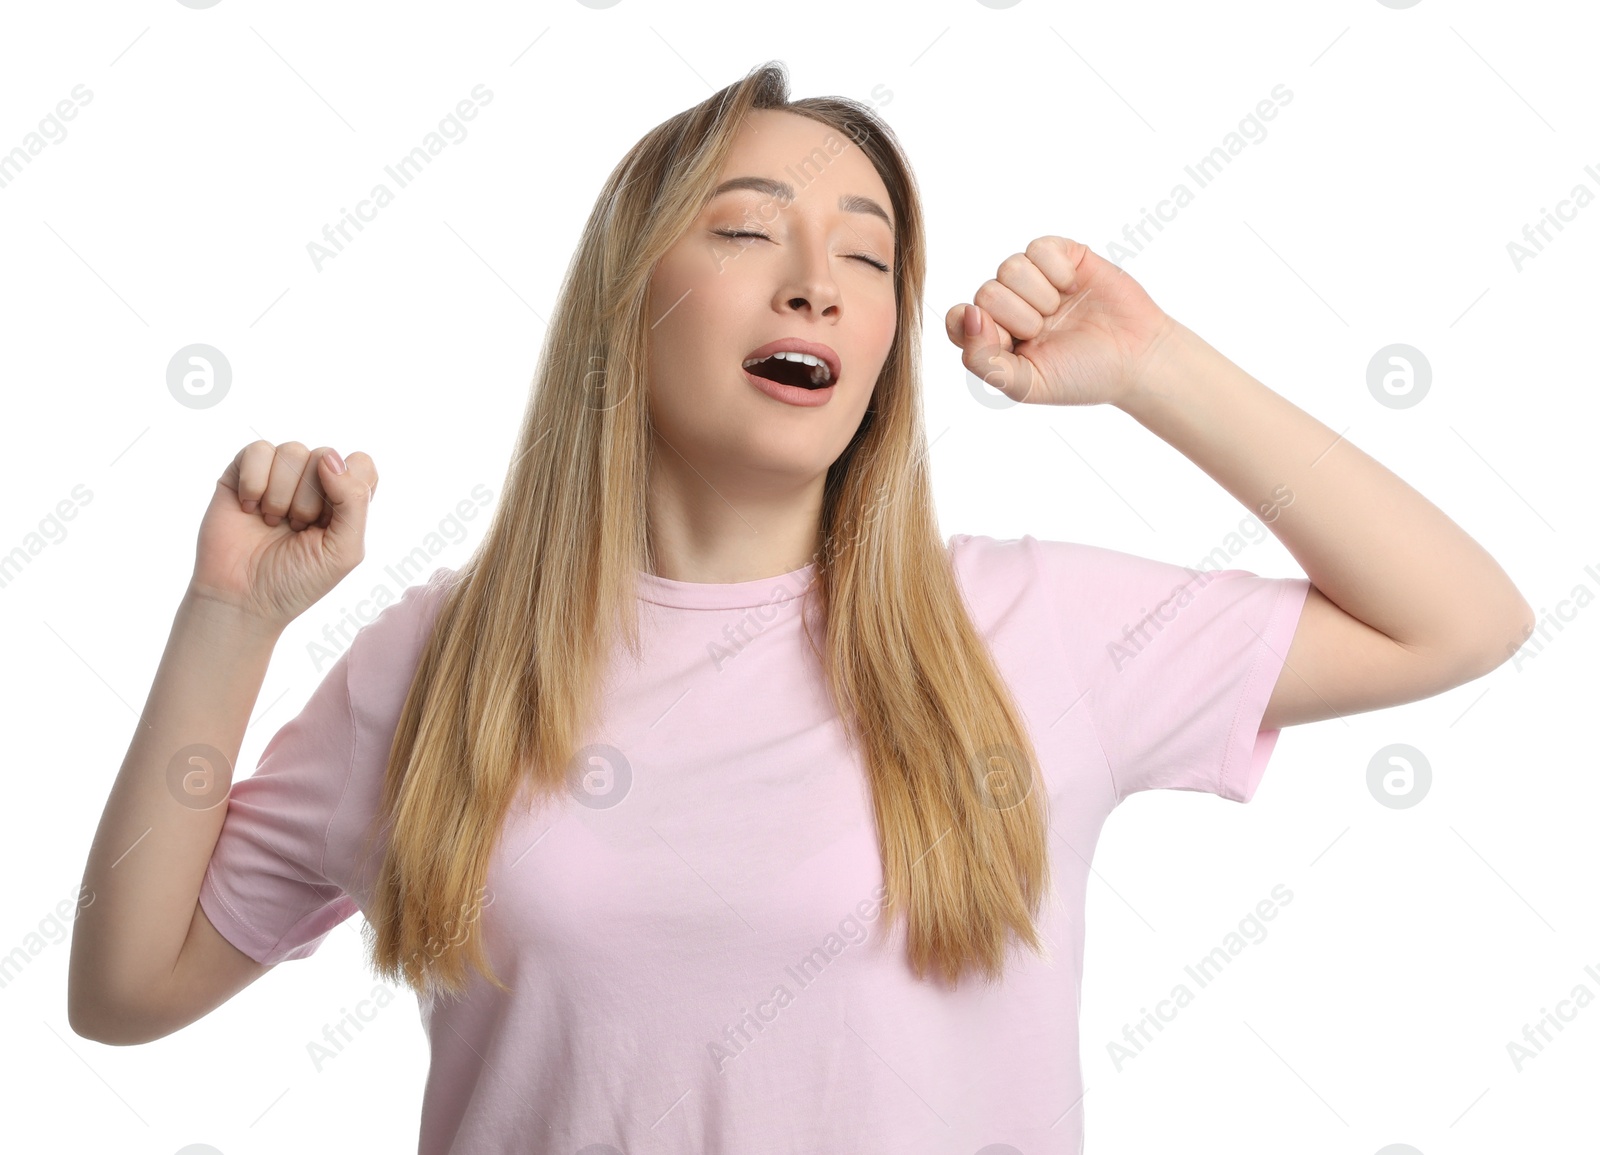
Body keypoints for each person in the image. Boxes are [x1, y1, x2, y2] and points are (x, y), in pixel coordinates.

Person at [67, 60, 1533, 1155]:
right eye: (750, 232)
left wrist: (1151, 364)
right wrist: (230, 620)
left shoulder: (1036, 631)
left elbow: (1461, 618)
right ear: (628, 295)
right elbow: (127, 992)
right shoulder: (444, 662)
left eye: (872, 254)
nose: (821, 284)